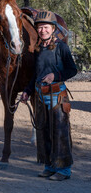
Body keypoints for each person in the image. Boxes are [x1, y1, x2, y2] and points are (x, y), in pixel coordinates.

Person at [21, 10, 77, 181]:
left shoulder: (62, 47)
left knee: (60, 132)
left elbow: (73, 69)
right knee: (44, 132)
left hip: (57, 96)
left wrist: (56, 76)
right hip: (40, 96)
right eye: (39, 27)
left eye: (46, 27)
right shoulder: (38, 49)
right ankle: (49, 166)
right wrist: (27, 91)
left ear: (53, 28)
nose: (42, 30)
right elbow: (35, 75)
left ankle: (64, 170)